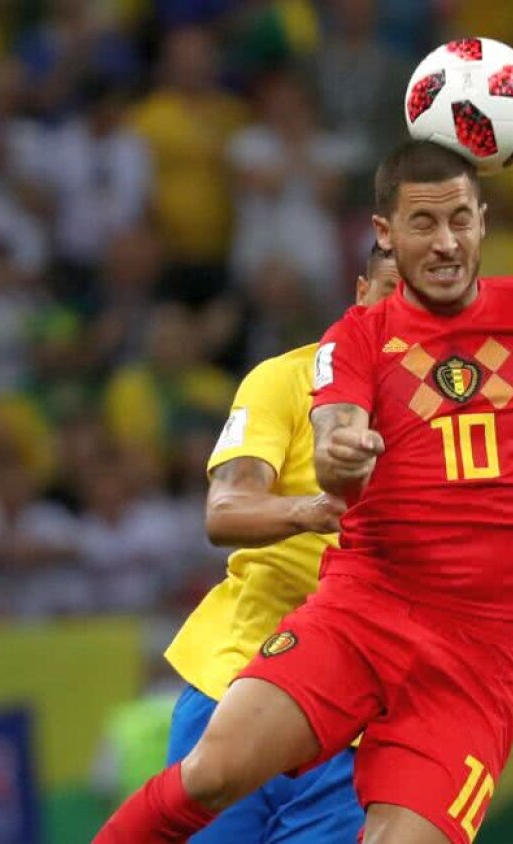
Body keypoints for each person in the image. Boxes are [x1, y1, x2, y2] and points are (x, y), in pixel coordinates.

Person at [96, 141, 513, 844]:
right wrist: (341, 460)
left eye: (460, 220)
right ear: (384, 237)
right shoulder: (347, 345)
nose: (446, 242)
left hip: (479, 656)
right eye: (423, 225)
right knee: (211, 776)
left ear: (485, 222)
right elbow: (332, 436)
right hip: (361, 614)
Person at [162, 244, 401, 842]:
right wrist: (315, 511)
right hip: (234, 687)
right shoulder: (283, 380)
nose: (404, 314)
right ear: (361, 292)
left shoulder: (453, 421)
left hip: (351, 723)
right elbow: (225, 510)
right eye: (391, 291)